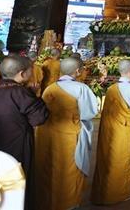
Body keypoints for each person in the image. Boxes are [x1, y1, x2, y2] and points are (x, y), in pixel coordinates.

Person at [35, 57, 99, 210]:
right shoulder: (81, 89)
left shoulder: (50, 88)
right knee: (70, 168)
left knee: (50, 167)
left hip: (48, 134)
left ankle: (48, 202)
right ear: (77, 71)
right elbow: (89, 113)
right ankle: (68, 203)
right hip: (71, 135)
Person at [91, 59, 130, 205]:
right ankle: (120, 193)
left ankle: (104, 192)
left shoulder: (112, 88)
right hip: (126, 131)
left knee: (109, 160)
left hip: (111, 131)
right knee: (123, 161)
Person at [0, 55, 48, 209]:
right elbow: (39, 118)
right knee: (17, 182)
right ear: (21, 74)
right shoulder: (21, 93)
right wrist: (36, 95)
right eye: (30, 70)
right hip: (17, 146)